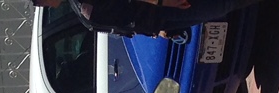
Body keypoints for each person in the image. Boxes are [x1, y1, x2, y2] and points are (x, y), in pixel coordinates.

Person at [33, 0, 260, 40]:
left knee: (221, 4)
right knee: (221, 7)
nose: (43, 5)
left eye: (40, 1)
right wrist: (154, 31)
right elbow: (122, 22)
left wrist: (162, 1)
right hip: (160, 20)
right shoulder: (78, 8)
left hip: (162, 8)